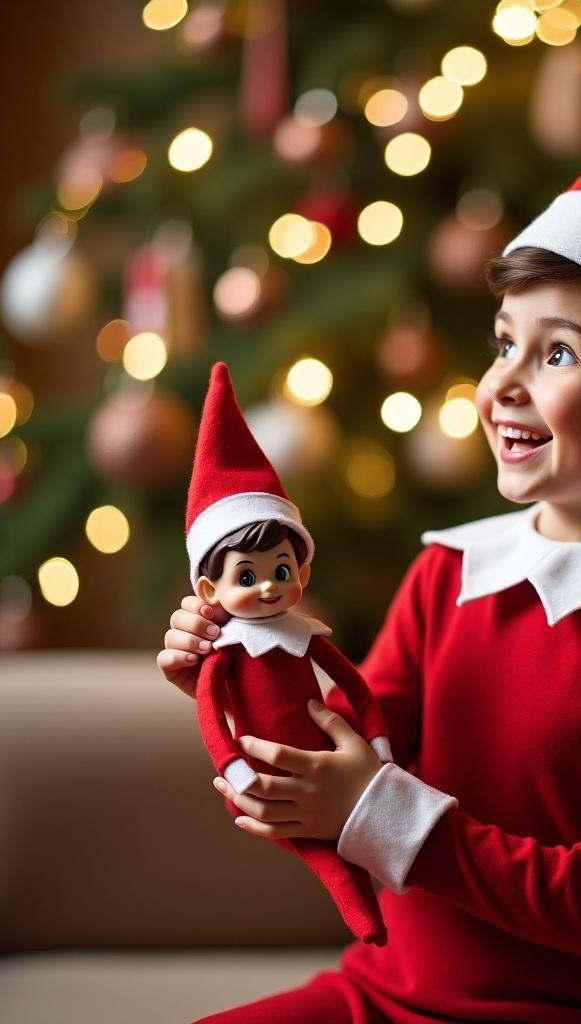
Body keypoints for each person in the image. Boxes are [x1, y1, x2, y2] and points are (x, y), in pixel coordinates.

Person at [158, 0, 581, 1019]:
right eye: (504, 341)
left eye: (555, 352)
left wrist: (375, 805)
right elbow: (340, 759)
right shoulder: (448, 573)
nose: (500, 382)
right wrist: (239, 672)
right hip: (382, 995)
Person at [184, 361, 394, 947]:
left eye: (281, 570)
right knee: (324, 858)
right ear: (210, 592)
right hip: (262, 783)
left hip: (331, 767)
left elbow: (355, 687)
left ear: (302, 569)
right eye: (247, 576)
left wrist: (376, 745)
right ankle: (362, 912)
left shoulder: (306, 635)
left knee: (338, 854)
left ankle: (366, 909)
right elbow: (209, 711)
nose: (270, 587)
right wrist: (233, 766)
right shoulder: (224, 650)